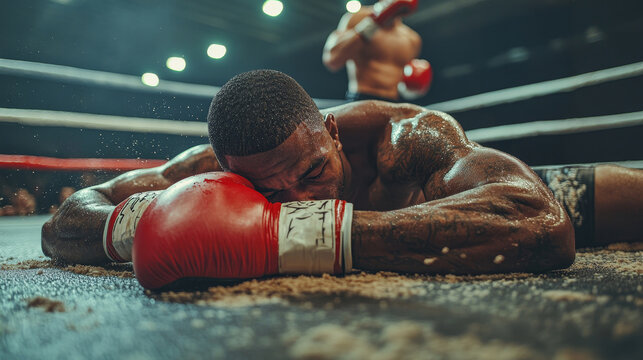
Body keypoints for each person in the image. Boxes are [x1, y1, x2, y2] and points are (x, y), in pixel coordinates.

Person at [42, 69, 579, 289]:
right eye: (275, 193)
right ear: (229, 170)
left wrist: (295, 235)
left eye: (315, 170)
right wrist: (153, 225)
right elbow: (65, 222)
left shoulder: (408, 138)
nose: (303, 198)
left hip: (498, 186)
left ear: (331, 131)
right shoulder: (212, 168)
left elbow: (541, 219)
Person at [323, 0, 433, 102]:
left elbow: (404, 85)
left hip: (393, 103)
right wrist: (375, 22)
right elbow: (332, 60)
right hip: (361, 99)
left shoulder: (412, 39)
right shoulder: (358, 18)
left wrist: (414, 88)